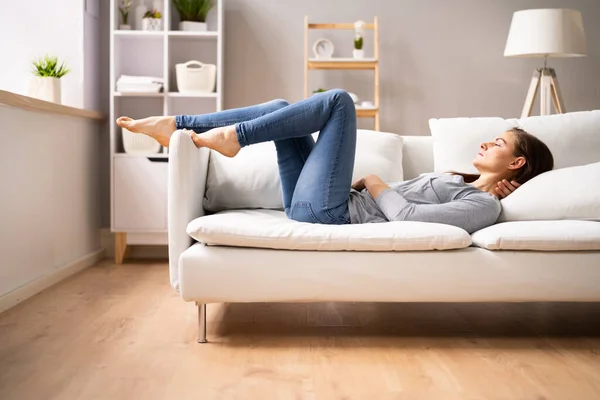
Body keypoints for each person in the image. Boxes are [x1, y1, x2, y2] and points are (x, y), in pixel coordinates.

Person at [116, 89, 554, 234]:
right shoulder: (462, 181)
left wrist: (375, 181)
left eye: (498, 143)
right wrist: (369, 185)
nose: (485, 144)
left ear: (516, 163)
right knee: (283, 106)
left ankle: (234, 137)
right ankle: (180, 123)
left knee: (340, 102)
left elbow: (408, 217)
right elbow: (400, 204)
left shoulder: (485, 206)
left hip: (332, 213)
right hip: (326, 202)